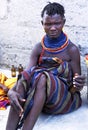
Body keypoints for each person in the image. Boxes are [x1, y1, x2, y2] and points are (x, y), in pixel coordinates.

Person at [6, 2, 85, 130]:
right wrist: (11, 91)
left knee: (42, 77)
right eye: (48, 24)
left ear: (63, 22)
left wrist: (78, 84)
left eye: (57, 23)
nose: (53, 28)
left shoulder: (72, 50)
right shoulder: (38, 48)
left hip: (62, 99)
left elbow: (76, 87)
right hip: (42, 99)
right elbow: (26, 75)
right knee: (23, 83)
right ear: (42, 23)